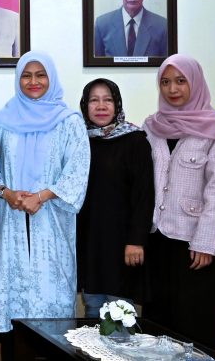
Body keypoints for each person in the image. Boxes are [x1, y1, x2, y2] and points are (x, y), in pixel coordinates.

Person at [0, 51, 90, 358]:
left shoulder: (69, 122)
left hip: (52, 216)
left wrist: (42, 196)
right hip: (11, 214)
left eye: (41, 75)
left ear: (51, 78)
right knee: (14, 291)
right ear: (18, 79)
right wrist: (6, 192)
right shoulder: (2, 120)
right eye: (26, 75)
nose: (33, 82)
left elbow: (77, 169)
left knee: (53, 289)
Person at [142, 54, 215, 354]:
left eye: (181, 81)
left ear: (195, 83)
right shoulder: (152, 127)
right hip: (156, 238)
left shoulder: (213, 128)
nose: (173, 89)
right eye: (165, 82)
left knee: (192, 321)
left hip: (193, 244)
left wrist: (206, 243)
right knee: (158, 322)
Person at [75, 78, 153, 319]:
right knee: (92, 309)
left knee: (120, 312)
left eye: (108, 100)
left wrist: (136, 240)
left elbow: (144, 194)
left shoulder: (135, 140)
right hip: (88, 241)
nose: (101, 106)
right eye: (94, 100)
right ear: (85, 105)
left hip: (122, 242)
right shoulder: (79, 140)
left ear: (117, 104)